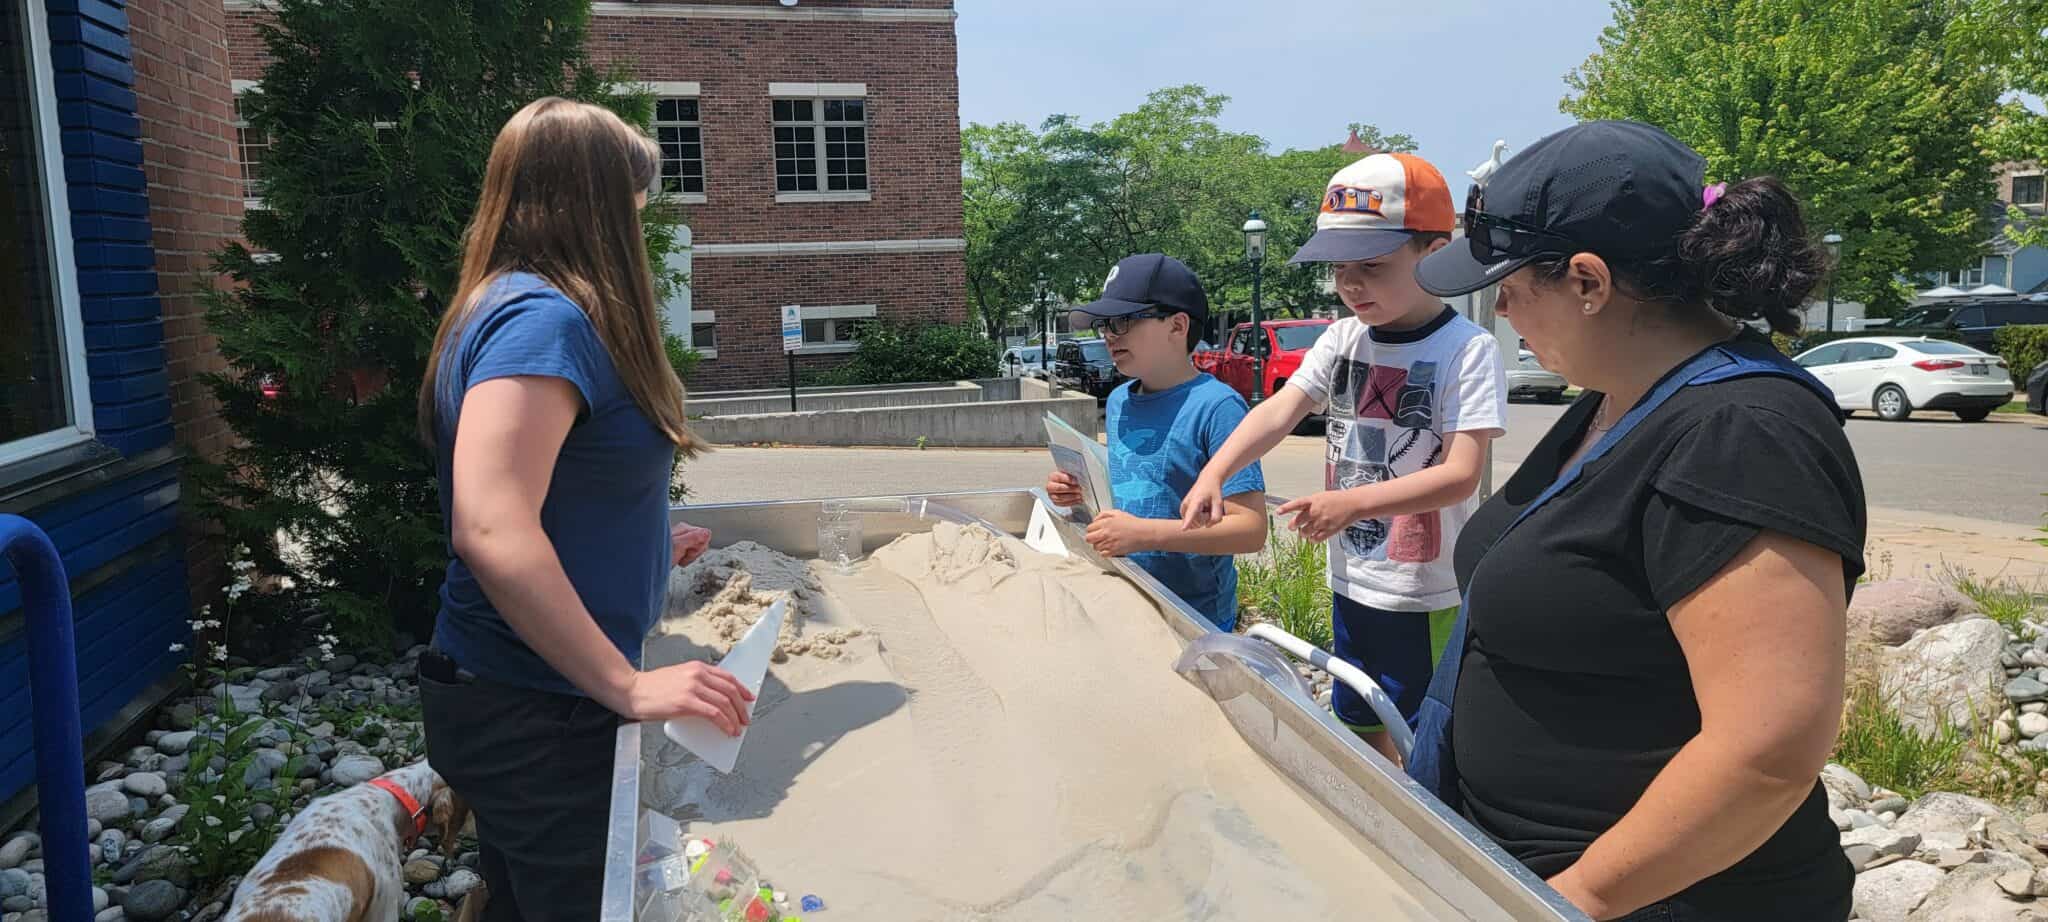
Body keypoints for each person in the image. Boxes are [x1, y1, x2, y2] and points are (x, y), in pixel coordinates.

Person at [1407, 120, 1863, 921]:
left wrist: (1572, 899)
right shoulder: (1619, 397)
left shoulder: (1743, 433)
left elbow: (1768, 750)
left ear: (1589, 282)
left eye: (1508, 285)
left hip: (1652, 900)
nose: (1501, 309)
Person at [414, 98, 753, 921]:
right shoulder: (546, 322)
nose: (643, 224)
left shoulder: (511, 306)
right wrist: (627, 687)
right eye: (636, 204)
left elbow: (554, 489)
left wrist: (636, 541)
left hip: (520, 696)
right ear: (598, 205)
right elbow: (490, 523)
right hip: (537, 709)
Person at [1182, 152, 1507, 763]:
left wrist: (1351, 502)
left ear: (1434, 255)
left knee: (1424, 734)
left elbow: (1461, 475)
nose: (1351, 284)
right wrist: (1215, 471)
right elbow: (1278, 412)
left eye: (1373, 266)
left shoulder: (1466, 349)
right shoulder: (1343, 337)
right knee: (1357, 716)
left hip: (1422, 586)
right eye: (1340, 268)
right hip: (1352, 572)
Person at [1044, 253, 1266, 631]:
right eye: (1104, 325)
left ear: (1177, 325)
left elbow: (1250, 529)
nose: (1109, 335)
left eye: (1123, 321)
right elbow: (1132, 489)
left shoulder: (1218, 407)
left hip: (1195, 617)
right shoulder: (1118, 401)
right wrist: (1076, 491)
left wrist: (1142, 534)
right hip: (1128, 597)